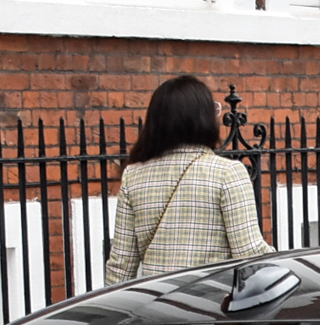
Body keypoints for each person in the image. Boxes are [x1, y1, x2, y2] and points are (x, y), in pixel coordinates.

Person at [105, 74, 271, 282]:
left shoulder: (134, 175)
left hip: (157, 307)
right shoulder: (227, 173)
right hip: (210, 307)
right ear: (203, 119)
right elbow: (251, 255)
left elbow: (121, 266)